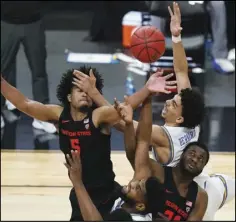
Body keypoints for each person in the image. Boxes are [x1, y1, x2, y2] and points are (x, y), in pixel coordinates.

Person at [73, 2, 235, 220]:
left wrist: (93, 93)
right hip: (202, 186)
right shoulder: (190, 118)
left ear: (178, 117)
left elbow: (120, 121)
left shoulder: (163, 135)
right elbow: (181, 71)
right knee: (227, 186)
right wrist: (176, 37)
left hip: (174, 198)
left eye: (173, 103)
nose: (168, 101)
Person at [1, 65, 176, 221]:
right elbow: (24, 103)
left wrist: (147, 89)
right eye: (79, 90)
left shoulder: (98, 116)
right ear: (69, 96)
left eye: (87, 91)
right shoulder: (58, 115)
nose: (84, 93)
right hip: (80, 192)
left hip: (106, 193)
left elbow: (125, 106)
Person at [64, 94, 208, 221]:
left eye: (201, 159)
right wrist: (147, 99)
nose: (134, 182)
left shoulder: (199, 196)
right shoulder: (153, 180)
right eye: (192, 154)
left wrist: (78, 182)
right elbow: (142, 143)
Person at [1, 1, 57, 132]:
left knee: (39, 71)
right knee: (2, 71)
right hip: (7, 22)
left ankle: (42, 117)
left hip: (34, 22)